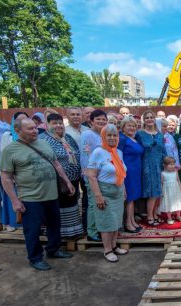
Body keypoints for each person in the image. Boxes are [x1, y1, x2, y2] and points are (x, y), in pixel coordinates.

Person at [0, 117, 75, 270]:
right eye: (30, 129)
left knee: (54, 225)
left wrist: (67, 181)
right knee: (32, 229)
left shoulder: (44, 143)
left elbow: (56, 164)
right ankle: (35, 258)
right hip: (30, 197)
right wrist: (15, 201)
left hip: (52, 194)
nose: (35, 130)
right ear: (18, 130)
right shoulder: (10, 150)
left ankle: (53, 250)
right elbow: (6, 178)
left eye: (35, 127)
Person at [86, 124, 127, 263]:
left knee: (116, 221)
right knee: (106, 223)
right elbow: (91, 176)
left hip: (118, 190)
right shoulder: (98, 152)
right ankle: (107, 250)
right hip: (104, 192)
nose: (112, 138)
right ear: (103, 137)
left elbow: (121, 173)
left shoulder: (118, 152)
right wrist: (98, 196)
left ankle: (114, 247)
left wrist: (124, 190)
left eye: (115, 135)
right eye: (109, 135)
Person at [40, 113, 83, 238]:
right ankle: (61, 234)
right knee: (60, 207)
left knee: (72, 204)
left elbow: (77, 152)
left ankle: (73, 231)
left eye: (60, 123)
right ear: (47, 125)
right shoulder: (43, 139)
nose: (58, 125)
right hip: (56, 180)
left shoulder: (67, 137)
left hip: (73, 178)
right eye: (54, 123)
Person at [80, 109, 108, 242]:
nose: (101, 121)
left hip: (103, 176)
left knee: (100, 204)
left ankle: (99, 228)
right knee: (93, 204)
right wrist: (89, 176)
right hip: (92, 177)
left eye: (103, 119)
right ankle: (91, 232)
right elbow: (85, 157)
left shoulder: (104, 134)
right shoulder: (87, 135)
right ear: (91, 121)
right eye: (98, 119)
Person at [136, 110, 167, 226]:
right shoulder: (140, 134)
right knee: (152, 192)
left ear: (154, 119)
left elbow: (163, 150)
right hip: (147, 165)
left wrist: (167, 163)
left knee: (158, 192)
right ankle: (149, 216)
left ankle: (154, 214)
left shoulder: (159, 134)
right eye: (147, 117)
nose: (149, 119)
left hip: (159, 165)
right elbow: (138, 150)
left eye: (151, 117)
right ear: (144, 120)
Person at [0, 111, 29, 231]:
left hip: (27, 174)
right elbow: (3, 153)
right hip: (12, 172)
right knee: (13, 198)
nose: (22, 122)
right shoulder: (7, 136)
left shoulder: (31, 135)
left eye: (25, 119)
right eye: (19, 120)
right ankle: (13, 223)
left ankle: (28, 223)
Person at [118, 116, 144, 233]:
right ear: (123, 127)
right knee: (129, 198)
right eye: (129, 125)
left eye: (134, 126)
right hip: (128, 172)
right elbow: (118, 157)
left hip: (136, 172)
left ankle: (132, 220)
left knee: (133, 198)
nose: (132, 128)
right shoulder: (122, 138)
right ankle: (128, 224)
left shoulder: (133, 138)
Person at [157, 157, 181, 225]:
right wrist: (161, 191)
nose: (172, 166)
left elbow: (178, 180)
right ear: (165, 165)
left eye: (173, 164)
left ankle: (178, 216)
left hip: (175, 190)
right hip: (167, 191)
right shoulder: (163, 173)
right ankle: (169, 218)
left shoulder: (175, 172)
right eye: (170, 164)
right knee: (168, 203)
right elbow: (162, 183)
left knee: (178, 202)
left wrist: (180, 188)